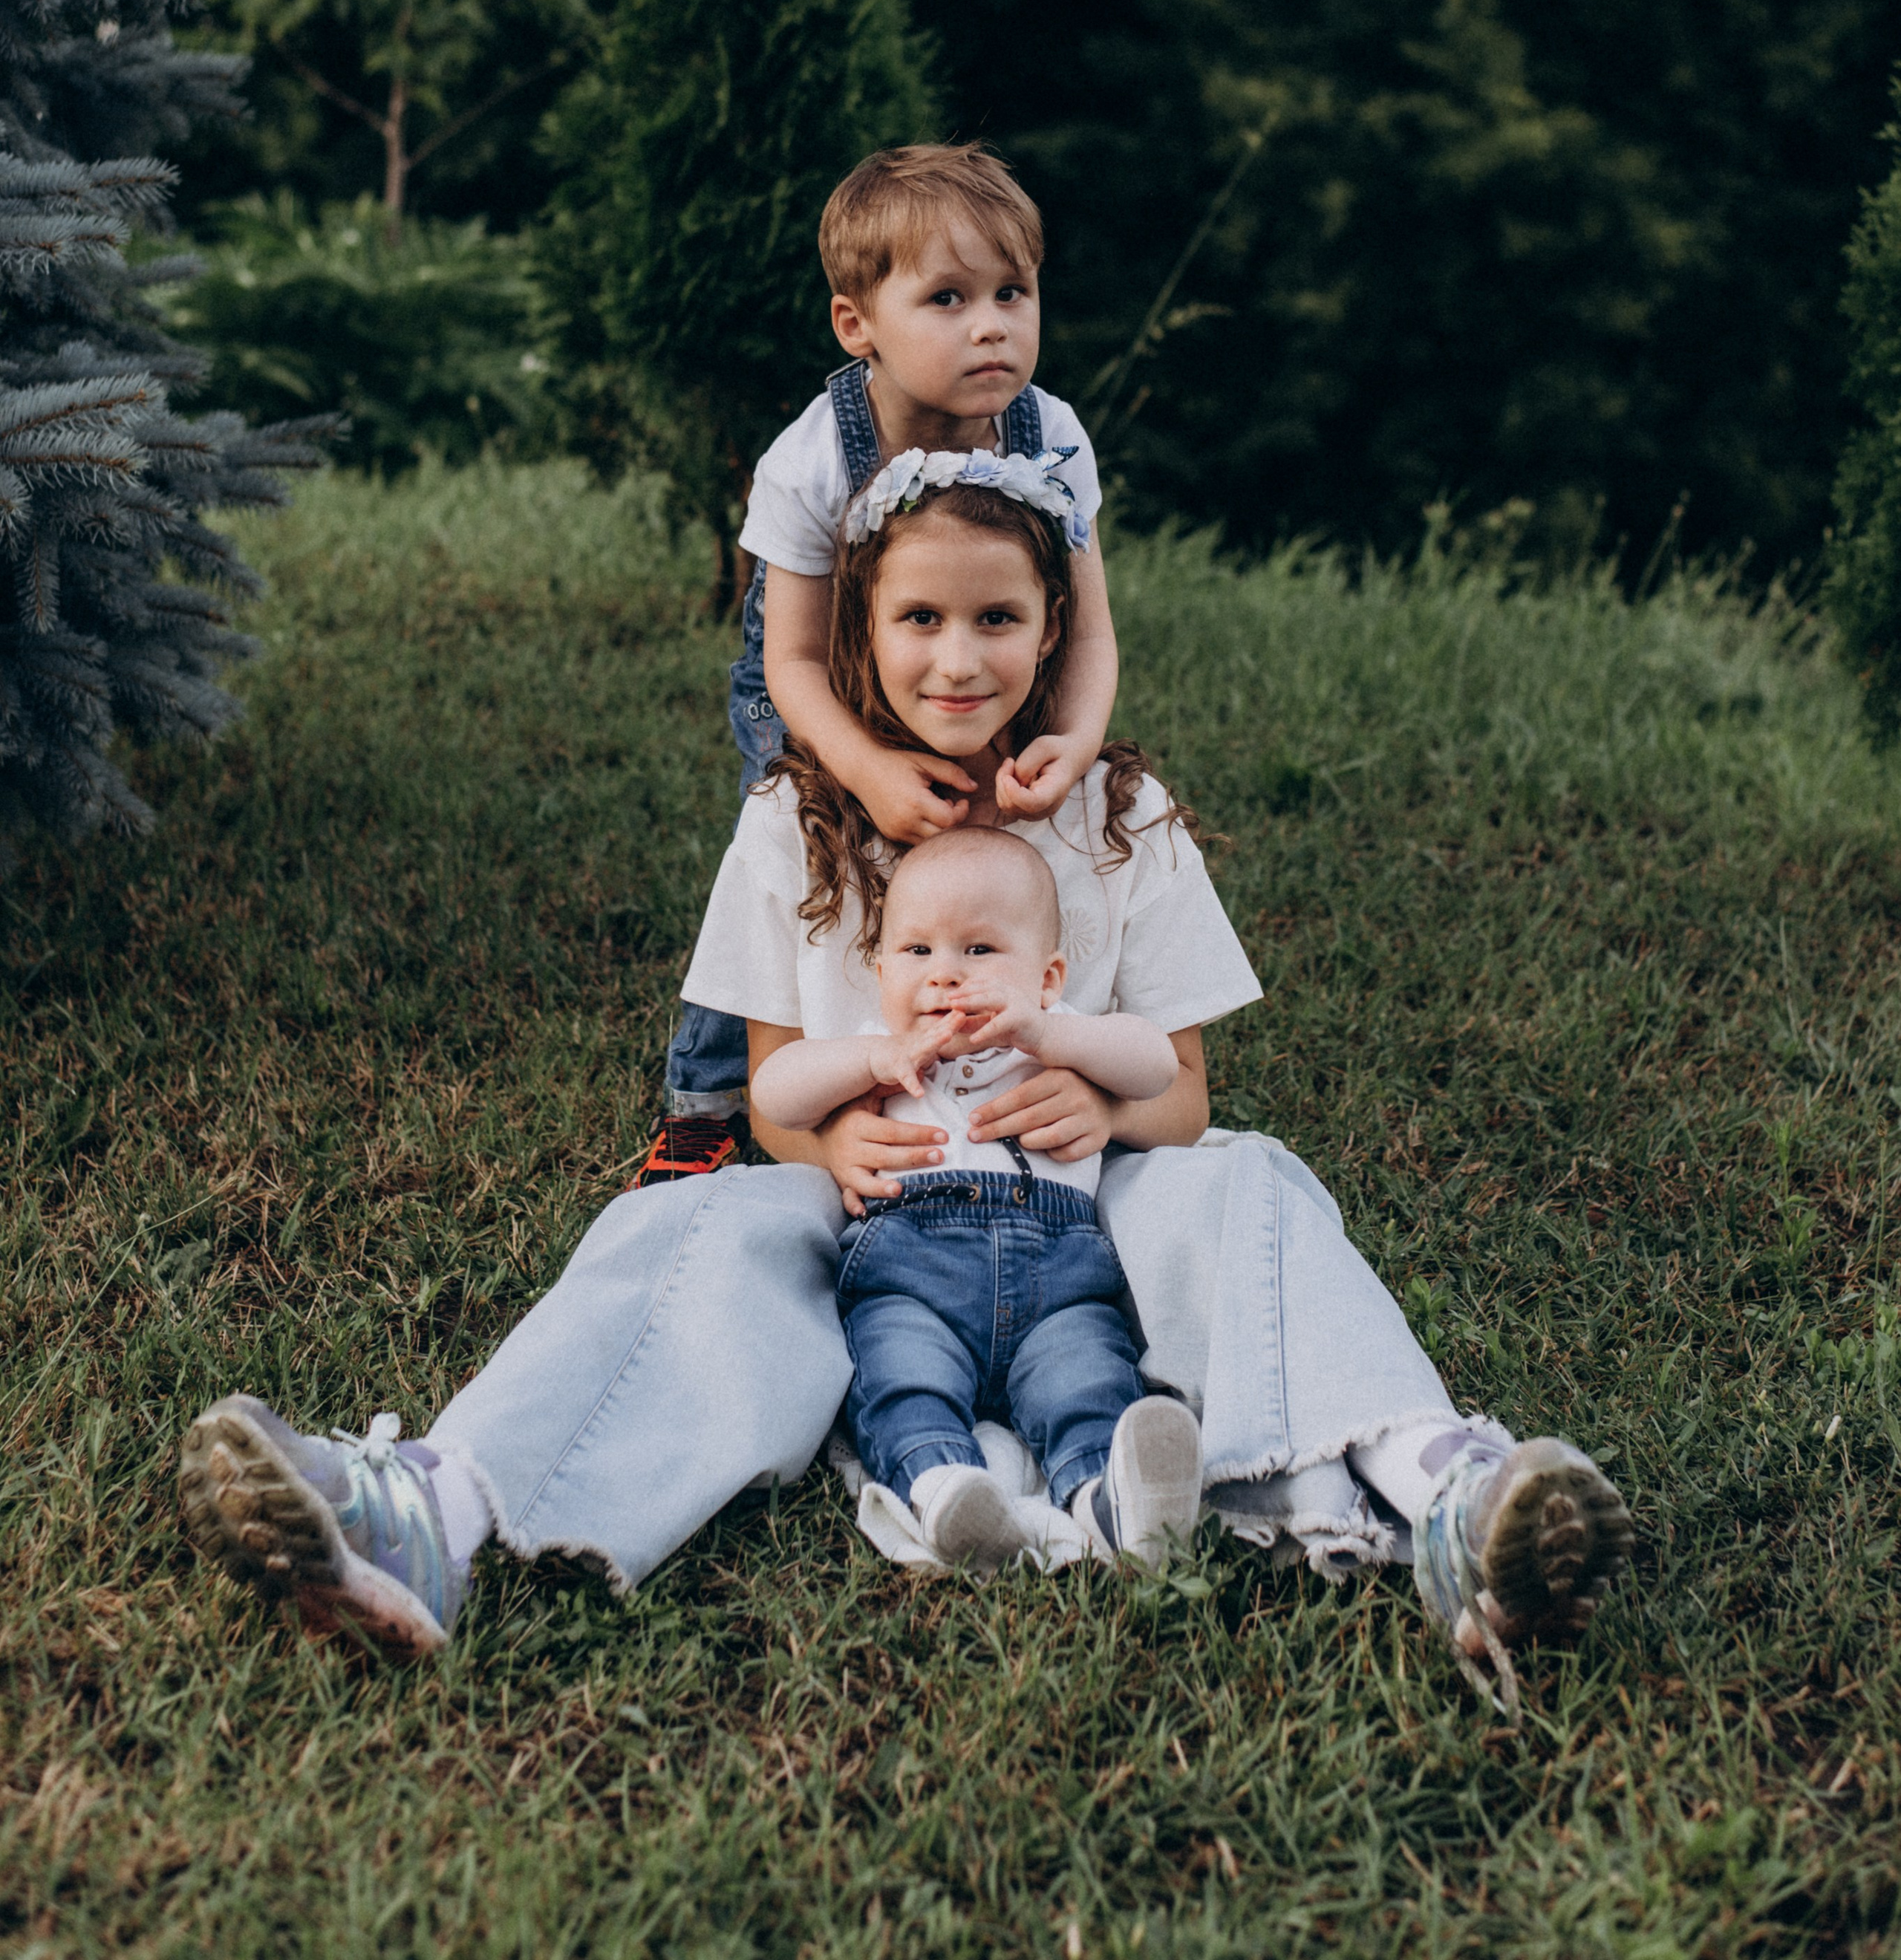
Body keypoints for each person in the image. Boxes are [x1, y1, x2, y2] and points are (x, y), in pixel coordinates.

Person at [180, 459, 1632, 1717]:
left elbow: (1184, 1092)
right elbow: (768, 1097)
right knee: (690, 1221)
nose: (957, 657)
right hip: (869, 1209)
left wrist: (1106, 1111)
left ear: (1053, 628)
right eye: (917, 618)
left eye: (997, 617)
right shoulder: (788, 821)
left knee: (1248, 1173)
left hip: (1088, 1200)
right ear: (861, 637)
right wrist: (840, 1138)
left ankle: (1438, 1485)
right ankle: (432, 1508)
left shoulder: (1120, 815)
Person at [633, 139, 1117, 1187]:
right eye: (948, 298)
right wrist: (862, 765)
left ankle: (1011, 1038)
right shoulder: (813, 458)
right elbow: (793, 657)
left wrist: (1076, 738)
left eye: (1013, 292)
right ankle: (706, 1103)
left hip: (980, 663)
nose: (991, 324)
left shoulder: (1050, 433)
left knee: (983, 852)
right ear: (857, 325)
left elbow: (1087, 630)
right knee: (791, 856)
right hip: (822, 683)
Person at [751, 822, 1203, 1574]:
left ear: (1048, 977)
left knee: (1088, 1379)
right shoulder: (875, 1047)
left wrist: (1050, 1036)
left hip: (1059, 1288)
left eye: (980, 950)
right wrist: (873, 1057)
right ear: (880, 970)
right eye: (916, 951)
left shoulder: (1061, 1035)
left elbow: (1157, 1065)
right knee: (902, 1377)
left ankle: (1110, 1498)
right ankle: (944, 1487)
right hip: (911, 1279)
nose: (945, 975)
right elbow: (773, 1091)